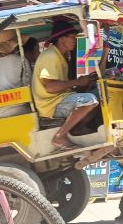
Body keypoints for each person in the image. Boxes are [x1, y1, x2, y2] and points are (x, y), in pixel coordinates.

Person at [32, 21, 98, 151]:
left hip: (59, 99)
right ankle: (60, 136)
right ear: (62, 38)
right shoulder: (50, 56)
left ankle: (78, 128)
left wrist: (84, 83)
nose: (75, 40)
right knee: (90, 100)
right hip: (50, 105)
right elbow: (50, 87)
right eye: (72, 37)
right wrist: (77, 82)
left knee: (97, 93)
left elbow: (63, 86)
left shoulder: (59, 56)